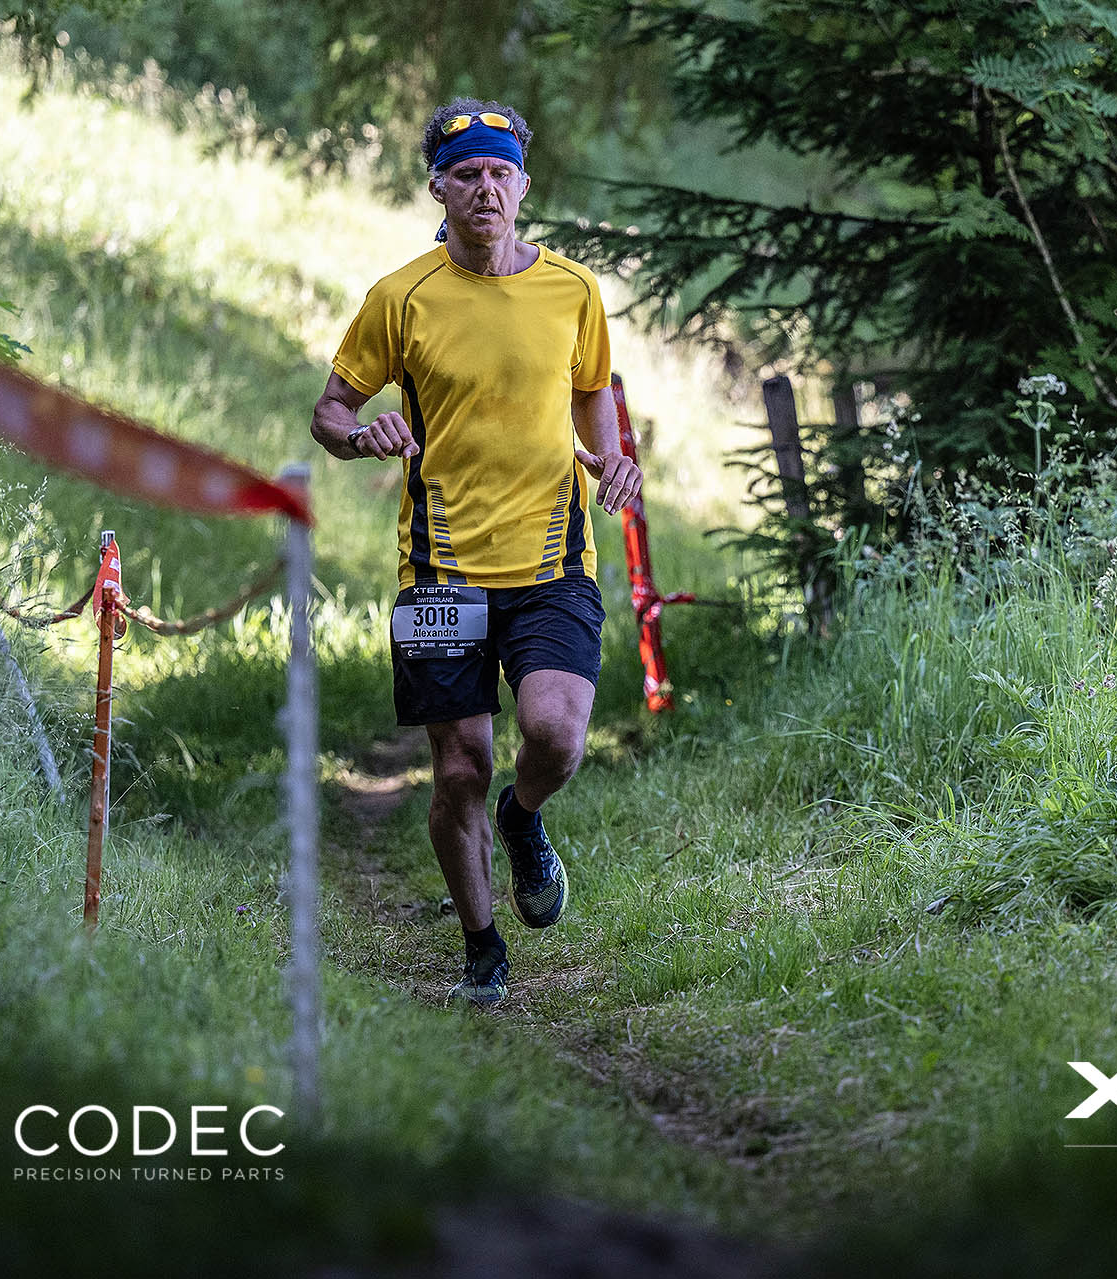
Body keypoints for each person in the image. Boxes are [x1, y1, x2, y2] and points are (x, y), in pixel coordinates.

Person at [309, 98, 641, 1007]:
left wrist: (610, 456)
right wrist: (362, 436)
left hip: (552, 562)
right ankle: (483, 950)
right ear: (439, 189)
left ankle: (522, 818)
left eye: (501, 173)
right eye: (467, 175)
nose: (486, 189)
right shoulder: (402, 297)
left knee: (556, 735)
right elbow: (330, 411)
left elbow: (593, 390)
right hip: (440, 572)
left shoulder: (573, 290)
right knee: (458, 768)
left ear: (524, 187)